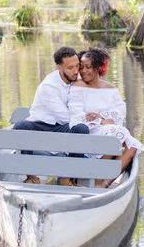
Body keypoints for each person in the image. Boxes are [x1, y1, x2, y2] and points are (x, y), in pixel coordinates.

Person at [68, 48, 144, 187]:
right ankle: (96, 177)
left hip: (107, 127)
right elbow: (75, 110)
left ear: (97, 68)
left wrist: (103, 117)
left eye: (88, 67)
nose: (83, 71)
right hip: (88, 128)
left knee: (132, 146)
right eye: (81, 67)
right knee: (115, 133)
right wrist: (98, 120)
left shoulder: (110, 88)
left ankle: (104, 183)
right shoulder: (78, 86)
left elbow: (120, 110)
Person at [13, 46, 89, 184]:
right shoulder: (49, 86)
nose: (76, 71)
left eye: (77, 66)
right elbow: (64, 117)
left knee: (82, 129)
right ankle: (31, 176)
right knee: (21, 127)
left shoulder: (77, 80)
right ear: (59, 68)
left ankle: (68, 177)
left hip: (62, 126)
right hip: (42, 125)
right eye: (70, 67)